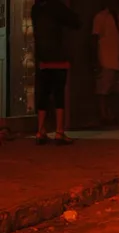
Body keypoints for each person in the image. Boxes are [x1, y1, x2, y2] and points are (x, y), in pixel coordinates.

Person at [31, 0, 81, 145]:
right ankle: (59, 131)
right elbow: (76, 22)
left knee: (43, 93)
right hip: (59, 57)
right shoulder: (58, 7)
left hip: (43, 58)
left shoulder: (36, 9)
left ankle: (40, 130)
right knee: (59, 93)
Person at [92, 0, 119, 124]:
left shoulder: (118, 18)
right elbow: (94, 38)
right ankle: (103, 114)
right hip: (105, 58)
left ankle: (109, 113)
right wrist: (96, 60)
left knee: (112, 90)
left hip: (116, 59)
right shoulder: (101, 17)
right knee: (103, 90)